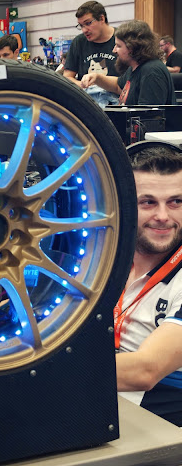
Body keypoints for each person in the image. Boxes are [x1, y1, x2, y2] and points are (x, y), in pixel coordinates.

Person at [115, 142, 182, 426]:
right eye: (148, 202)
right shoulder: (103, 256)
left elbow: (146, 371)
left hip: (157, 426)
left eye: (176, 202)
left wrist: (38, 370)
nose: (163, 216)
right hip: (97, 400)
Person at [81, 20, 175, 106]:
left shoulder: (151, 72)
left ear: (133, 47)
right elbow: (118, 86)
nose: (114, 50)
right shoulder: (135, 68)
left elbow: (148, 116)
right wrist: (97, 78)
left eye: (118, 46)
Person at [64, 1, 119, 106]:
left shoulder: (121, 38)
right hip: (88, 101)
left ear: (101, 19)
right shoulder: (79, 42)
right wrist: (83, 85)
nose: (84, 30)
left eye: (88, 23)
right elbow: (67, 77)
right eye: (81, 26)